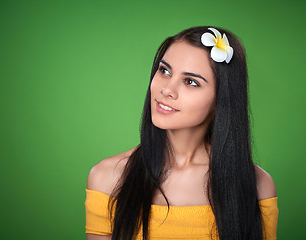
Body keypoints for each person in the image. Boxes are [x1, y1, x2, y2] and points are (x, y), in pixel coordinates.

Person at [85, 26, 278, 240]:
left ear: (221, 99)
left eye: (191, 82)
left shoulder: (257, 184)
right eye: (164, 70)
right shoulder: (107, 178)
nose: (166, 89)